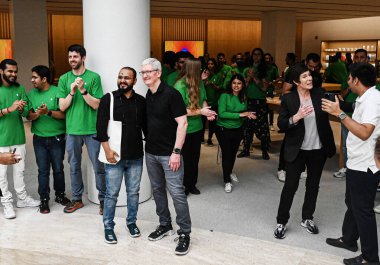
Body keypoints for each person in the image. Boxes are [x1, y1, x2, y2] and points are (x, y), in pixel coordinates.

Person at [323, 62, 380, 265]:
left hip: (365, 165)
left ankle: (370, 257)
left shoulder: (373, 100)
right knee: (353, 203)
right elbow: (355, 113)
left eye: (349, 78)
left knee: (363, 210)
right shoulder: (363, 98)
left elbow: (365, 132)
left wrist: (339, 113)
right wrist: (340, 107)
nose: (347, 81)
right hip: (356, 162)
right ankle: (348, 239)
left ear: (356, 80)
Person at [273, 64, 336, 239]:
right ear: (295, 81)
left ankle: (307, 218)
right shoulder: (289, 99)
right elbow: (282, 124)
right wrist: (296, 117)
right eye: (304, 77)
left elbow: (338, 105)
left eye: (309, 75)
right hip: (297, 150)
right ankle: (281, 221)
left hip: (318, 149)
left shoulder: (319, 93)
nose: (309, 79)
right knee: (290, 186)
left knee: (313, 185)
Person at [141, 58, 192, 255]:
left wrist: (176, 153)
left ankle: (185, 232)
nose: (145, 75)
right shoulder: (149, 94)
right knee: (158, 191)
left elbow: (183, 124)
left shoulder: (172, 94)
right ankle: (165, 224)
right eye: (143, 72)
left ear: (158, 73)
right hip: (151, 152)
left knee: (177, 193)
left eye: (149, 71)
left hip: (170, 154)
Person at [96, 67, 146, 244]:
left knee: (133, 193)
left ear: (134, 81)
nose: (123, 80)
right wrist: (107, 151)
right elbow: (100, 129)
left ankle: (131, 223)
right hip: (114, 156)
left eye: (127, 78)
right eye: (120, 77)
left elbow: (146, 128)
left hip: (136, 156)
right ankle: (108, 226)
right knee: (112, 194)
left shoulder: (141, 101)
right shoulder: (108, 99)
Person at [57, 44, 106, 214]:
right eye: (70, 57)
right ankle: (77, 199)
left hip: (92, 129)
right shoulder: (64, 79)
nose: (72, 60)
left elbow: (96, 104)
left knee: (99, 167)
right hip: (72, 131)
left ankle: (103, 200)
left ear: (83, 58)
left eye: (75, 56)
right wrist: (71, 92)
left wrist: (83, 90)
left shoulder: (94, 77)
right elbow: (62, 107)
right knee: (74, 166)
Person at [0, 59, 40, 219]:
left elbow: (26, 114)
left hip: (18, 137)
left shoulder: (20, 88)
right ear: (1, 71)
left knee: (19, 171)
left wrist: (22, 109)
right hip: (1, 140)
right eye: (10, 71)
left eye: (15, 71)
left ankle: (22, 199)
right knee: (1, 175)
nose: (13, 74)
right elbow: (9, 110)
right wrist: (9, 109)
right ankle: (7, 202)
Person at [27, 65, 70, 214]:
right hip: (39, 139)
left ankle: (60, 195)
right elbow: (29, 116)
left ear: (44, 79)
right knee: (43, 170)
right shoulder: (31, 94)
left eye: (35, 77)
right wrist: (37, 114)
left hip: (57, 138)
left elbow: (64, 115)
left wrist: (48, 112)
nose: (32, 80)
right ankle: (44, 200)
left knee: (58, 169)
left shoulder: (58, 91)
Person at [277, 53, 323, 182]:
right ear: (306, 62)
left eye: (315, 67)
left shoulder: (313, 75)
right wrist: (297, 101)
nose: (312, 71)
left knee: (305, 139)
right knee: (291, 140)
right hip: (296, 108)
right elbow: (285, 90)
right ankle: (282, 168)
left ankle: (301, 168)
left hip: (310, 107)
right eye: (310, 67)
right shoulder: (295, 72)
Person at [174, 58, 216, 195]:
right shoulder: (179, 86)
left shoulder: (199, 83)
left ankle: (192, 184)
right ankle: (183, 187)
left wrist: (207, 112)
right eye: (198, 69)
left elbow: (203, 99)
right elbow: (179, 111)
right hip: (184, 129)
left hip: (198, 127)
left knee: (195, 157)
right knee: (184, 159)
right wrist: (200, 112)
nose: (201, 71)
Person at [215, 74, 256, 193]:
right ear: (230, 84)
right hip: (223, 129)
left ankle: (230, 171)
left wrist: (247, 115)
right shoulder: (224, 96)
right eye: (234, 83)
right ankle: (226, 180)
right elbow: (222, 114)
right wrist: (241, 115)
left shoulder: (243, 96)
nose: (236, 86)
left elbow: (244, 112)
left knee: (233, 153)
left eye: (239, 83)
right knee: (227, 153)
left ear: (243, 85)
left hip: (238, 129)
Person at [333, 49, 369, 179]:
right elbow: (342, 95)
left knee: (364, 142)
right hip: (347, 113)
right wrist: (350, 85)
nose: (359, 60)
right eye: (357, 57)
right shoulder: (349, 75)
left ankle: (362, 170)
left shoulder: (369, 75)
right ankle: (346, 168)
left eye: (362, 57)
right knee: (346, 143)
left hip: (363, 115)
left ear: (367, 59)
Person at [238, 48, 271, 160]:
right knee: (247, 127)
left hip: (260, 102)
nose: (256, 56)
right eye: (254, 54)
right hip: (249, 101)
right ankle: (246, 150)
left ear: (261, 56)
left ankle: (265, 151)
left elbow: (264, 88)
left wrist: (254, 77)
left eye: (258, 54)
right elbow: (243, 86)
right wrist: (248, 77)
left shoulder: (265, 70)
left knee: (263, 127)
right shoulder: (246, 69)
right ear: (251, 56)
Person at [202, 58, 223, 145]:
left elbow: (219, 88)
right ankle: (202, 137)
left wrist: (210, 83)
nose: (210, 65)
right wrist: (204, 80)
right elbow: (200, 87)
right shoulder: (203, 74)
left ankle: (210, 138)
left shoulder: (218, 75)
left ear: (214, 65)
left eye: (212, 64)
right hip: (204, 101)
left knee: (212, 122)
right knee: (203, 121)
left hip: (214, 101)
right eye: (209, 64)